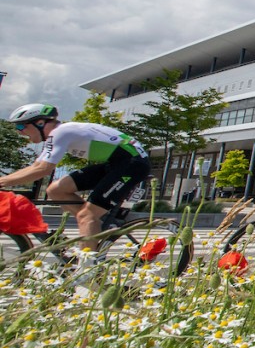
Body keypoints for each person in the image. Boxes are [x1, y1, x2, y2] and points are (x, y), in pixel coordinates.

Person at [0, 103, 150, 250]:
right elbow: (36, 167)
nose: (19, 132)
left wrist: (2, 182)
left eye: (21, 126)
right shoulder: (59, 133)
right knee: (55, 190)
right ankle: (94, 228)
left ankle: (88, 268)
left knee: (86, 216)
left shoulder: (60, 132)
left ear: (40, 122)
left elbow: (43, 169)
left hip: (133, 164)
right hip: (119, 162)